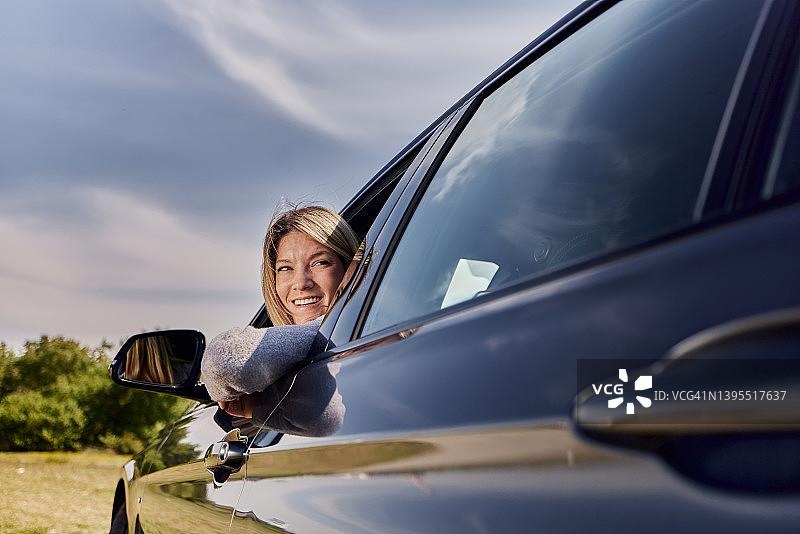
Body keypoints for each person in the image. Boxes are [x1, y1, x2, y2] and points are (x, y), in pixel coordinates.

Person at [201, 205, 360, 419]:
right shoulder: (308, 356)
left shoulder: (366, 335)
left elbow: (221, 361)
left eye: (320, 262)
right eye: (285, 268)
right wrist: (263, 407)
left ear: (350, 272)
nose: (301, 283)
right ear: (273, 280)